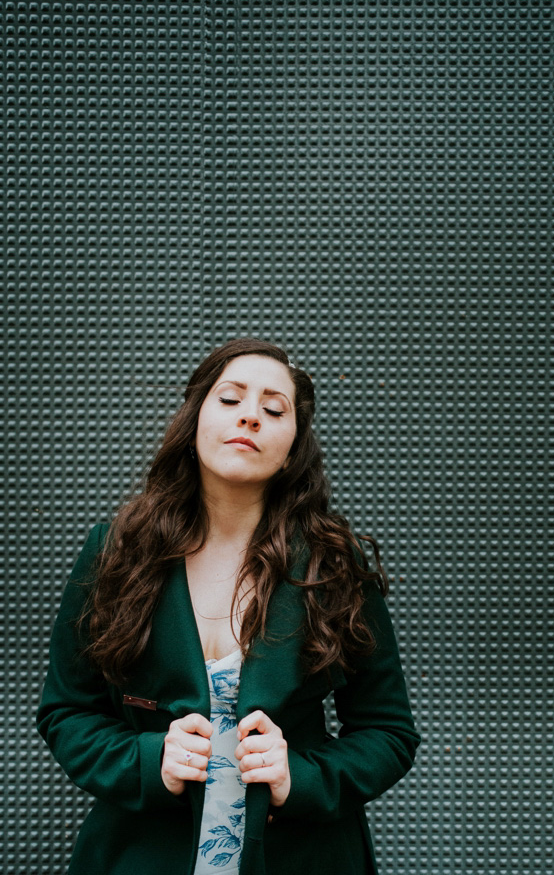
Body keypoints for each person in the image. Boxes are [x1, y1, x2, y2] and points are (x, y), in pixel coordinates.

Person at [38, 338, 420, 875]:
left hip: (303, 856)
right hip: (142, 853)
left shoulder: (335, 565)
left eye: (273, 408)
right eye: (231, 399)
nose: (250, 418)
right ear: (195, 419)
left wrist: (301, 777)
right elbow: (67, 712)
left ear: (294, 444)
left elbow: (389, 733)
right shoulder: (116, 552)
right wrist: (148, 763)